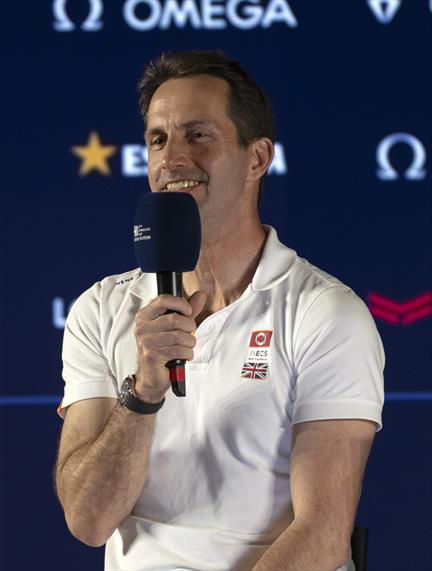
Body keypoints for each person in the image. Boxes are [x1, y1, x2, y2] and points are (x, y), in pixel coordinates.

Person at [55, 51, 383, 571]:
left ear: (257, 159)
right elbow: (88, 521)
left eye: (198, 135)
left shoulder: (326, 312)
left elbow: (321, 536)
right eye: (158, 139)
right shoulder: (100, 309)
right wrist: (142, 394)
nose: (172, 159)